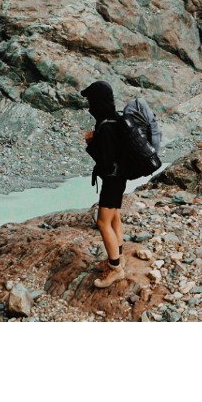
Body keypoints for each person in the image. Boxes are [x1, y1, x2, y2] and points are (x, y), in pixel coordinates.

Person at [82, 79, 130, 287]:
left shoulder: (105, 126)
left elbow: (105, 160)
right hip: (120, 178)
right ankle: (117, 256)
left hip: (111, 180)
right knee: (114, 218)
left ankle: (115, 269)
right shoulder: (115, 120)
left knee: (103, 222)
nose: (89, 105)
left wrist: (91, 144)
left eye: (91, 100)